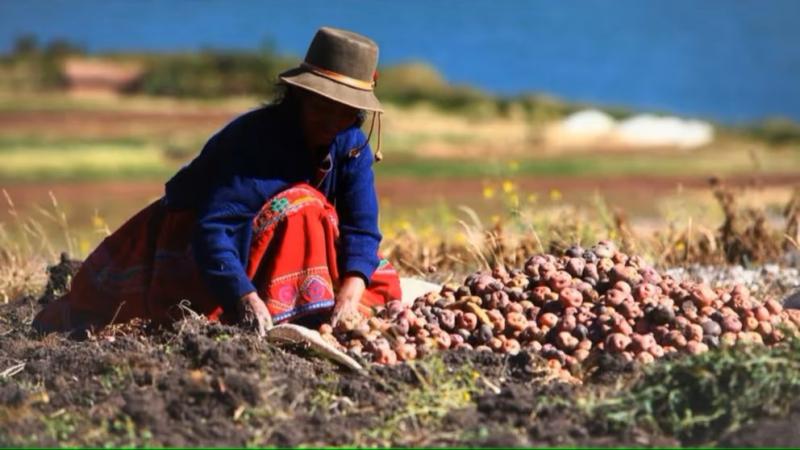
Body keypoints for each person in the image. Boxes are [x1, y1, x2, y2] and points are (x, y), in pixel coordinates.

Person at [33, 27, 402, 336]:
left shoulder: (352, 145)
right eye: (323, 105)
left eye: (345, 111)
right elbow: (214, 229)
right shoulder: (257, 141)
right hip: (199, 241)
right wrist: (244, 298)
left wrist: (350, 293)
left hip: (275, 243)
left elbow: (361, 228)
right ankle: (294, 306)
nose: (332, 120)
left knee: (375, 278)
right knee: (304, 206)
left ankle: (308, 301)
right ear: (300, 96)